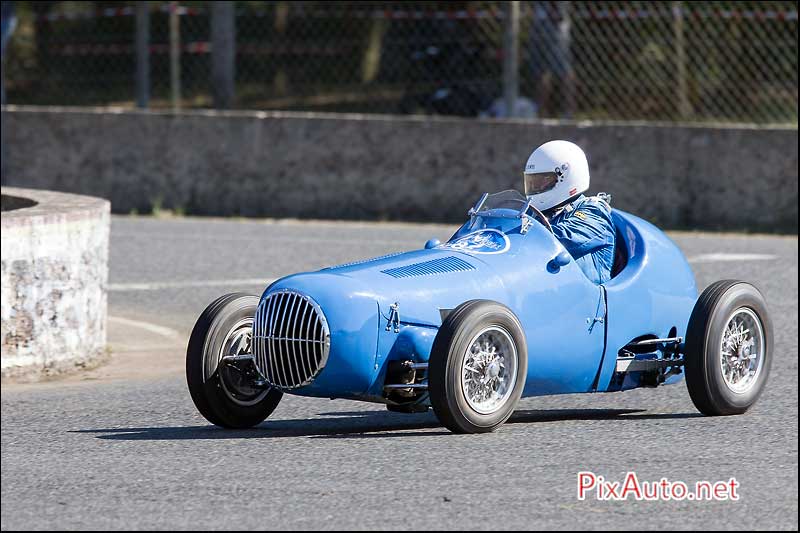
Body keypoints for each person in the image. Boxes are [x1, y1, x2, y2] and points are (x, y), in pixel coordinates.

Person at [523, 140, 615, 284]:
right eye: (532, 182)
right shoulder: (534, 213)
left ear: (566, 178)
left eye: (543, 181)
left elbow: (560, 239)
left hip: (584, 302)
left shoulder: (594, 212)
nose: (536, 186)